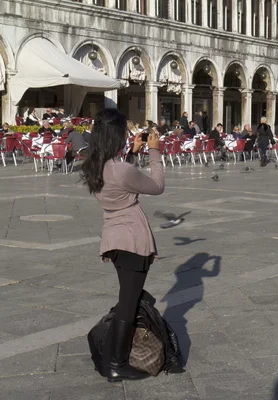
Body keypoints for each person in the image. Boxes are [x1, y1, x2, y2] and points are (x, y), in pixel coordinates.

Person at [81, 109, 164, 382]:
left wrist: (132, 154)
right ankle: (115, 363)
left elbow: (120, 180)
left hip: (114, 239)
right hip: (132, 240)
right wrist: (153, 151)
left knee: (127, 297)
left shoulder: (96, 165)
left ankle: (116, 357)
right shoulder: (121, 170)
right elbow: (156, 186)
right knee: (128, 302)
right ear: (116, 136)